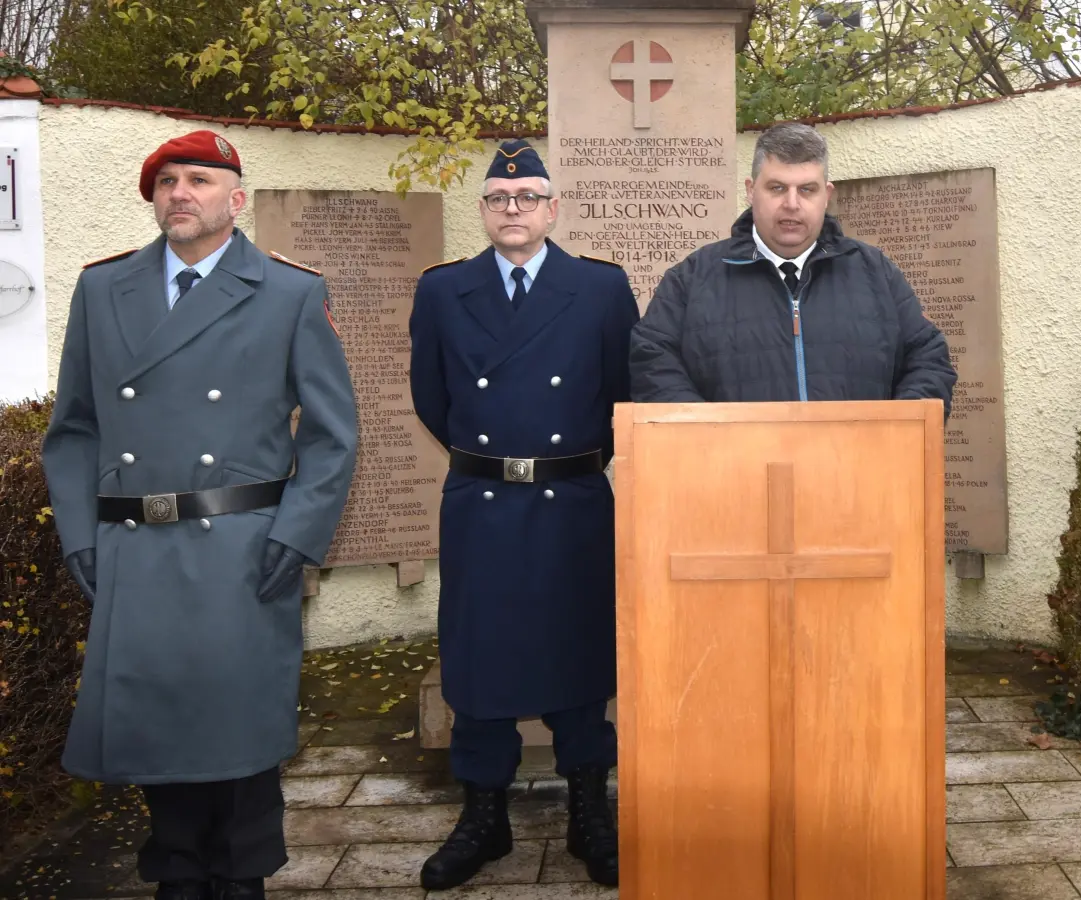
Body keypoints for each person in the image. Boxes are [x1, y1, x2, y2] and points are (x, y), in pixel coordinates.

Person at [41, 129, 359, 900]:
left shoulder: (287, 292)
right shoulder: (102, 288)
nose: (180, 193)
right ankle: (177, 873)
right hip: (134, 549)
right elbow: (75, 428)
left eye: (199, 181)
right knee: (157, 729)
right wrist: (80, 536)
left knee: (238, 731)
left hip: (240, 551)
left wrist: (298, 534)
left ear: (236, 199)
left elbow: (332, 434)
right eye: (166, 183)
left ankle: (242, 875)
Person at [408, 139, 637, 890]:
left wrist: (563, 464)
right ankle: (484, 815)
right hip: (480, 500)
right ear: (483, 211)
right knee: (478, 656)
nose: (515, 210)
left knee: (578, 650)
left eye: (530, 197)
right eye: (501, 199)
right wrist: (495, 460)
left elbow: (619, 396)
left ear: (553, 209)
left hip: (570, 501)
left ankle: (588, 808)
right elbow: (431, 400)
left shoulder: (600, 289)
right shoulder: (444, 291)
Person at [628, 121, 957, 411]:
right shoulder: (692, 278)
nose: (792, 204)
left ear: (826, 195)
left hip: (854, 474)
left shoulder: (876, 273)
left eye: (807, 190)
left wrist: (895, 433)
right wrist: (709, 439)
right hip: (732, 475)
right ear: (750, 190)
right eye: (777, 188)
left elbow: (928, 361)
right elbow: (652, 362)